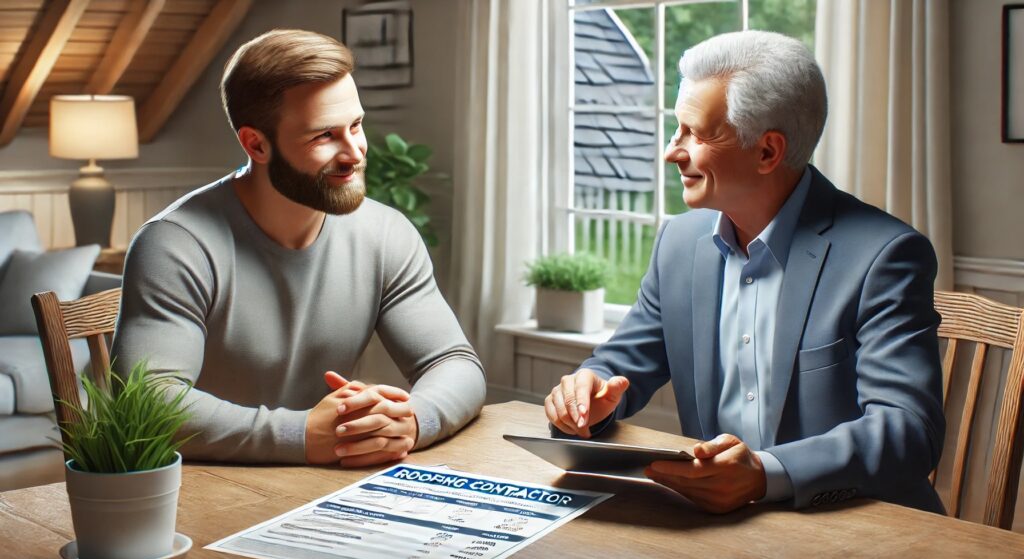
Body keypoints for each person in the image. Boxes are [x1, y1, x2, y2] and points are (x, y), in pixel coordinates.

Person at [545, 30, 945, 514]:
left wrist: (765, 474)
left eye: (696, 133)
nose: (673, 152)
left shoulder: (886, 255)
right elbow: (623, 365)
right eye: (677, 130)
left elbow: (908, 430)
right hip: (720, 531)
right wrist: (588, 392)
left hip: (859, 529)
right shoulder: (679, 244)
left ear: (767, 152)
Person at [112, 29, 485, 468]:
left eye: (356, 125)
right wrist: (302, 434)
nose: (354, 153)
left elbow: (454, 362)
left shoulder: (385, 233)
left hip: (321, 486)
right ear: (256, 144)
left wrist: (413, 419)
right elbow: (151, 405)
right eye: (324, 136)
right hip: (196, 495)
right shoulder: (175, 245)